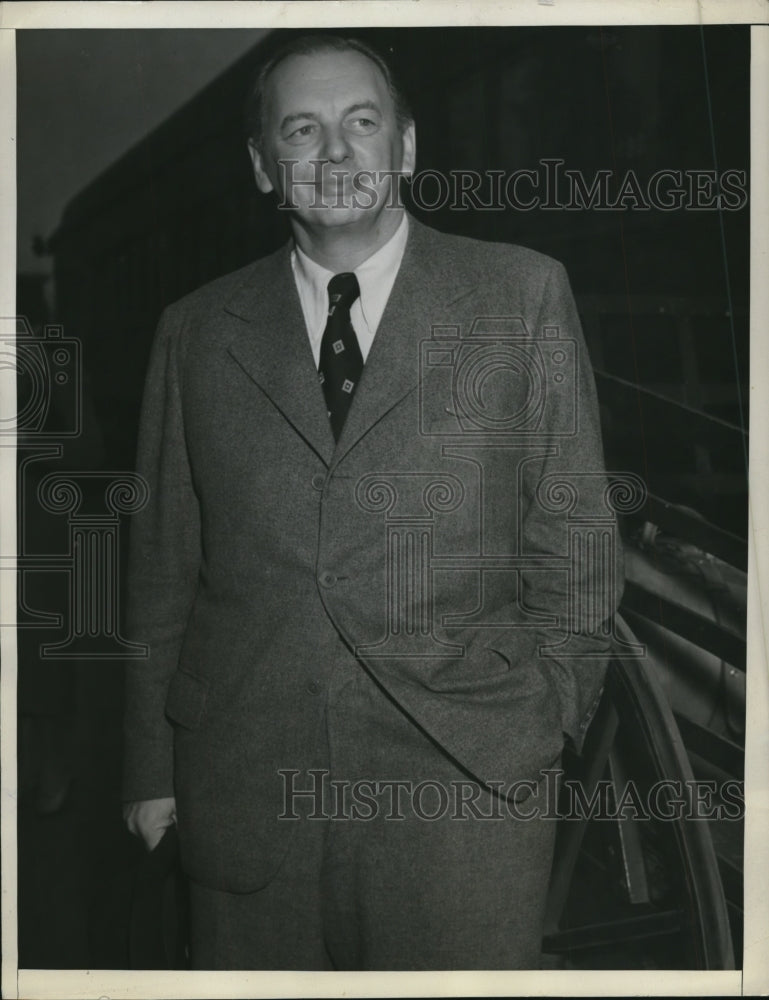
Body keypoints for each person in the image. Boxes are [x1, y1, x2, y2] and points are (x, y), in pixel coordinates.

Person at [122, 33, 622, 971]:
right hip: (246, 793)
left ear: (406, 147)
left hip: (465, 789)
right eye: (301, 130)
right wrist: (152, 770)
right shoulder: (194, 333)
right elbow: (160, 563)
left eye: (361, 122)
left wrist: (549, 716)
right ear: (264, 166)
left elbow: (577, 537)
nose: (337, 154)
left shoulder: (517, 295)